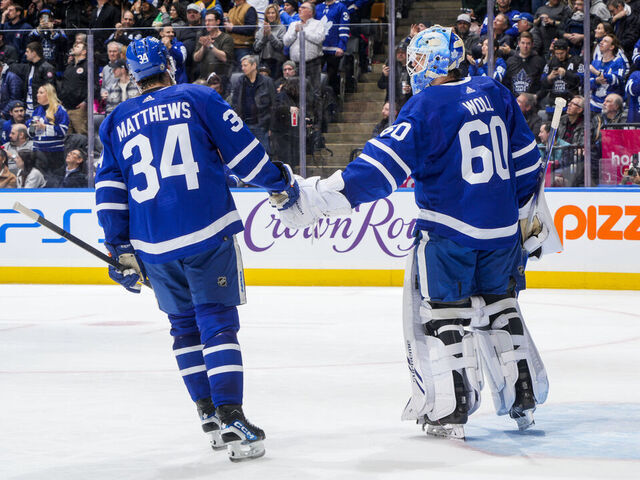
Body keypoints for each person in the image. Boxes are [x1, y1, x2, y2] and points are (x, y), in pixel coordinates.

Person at [272, 26, 557, 440]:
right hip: (501, 233)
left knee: (442, 314)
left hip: (449, 230)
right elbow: (529, 164)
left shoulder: (426, 106)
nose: (415, 69)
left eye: (421, 61)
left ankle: (450, 407)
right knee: (500, 306)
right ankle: (522, 396)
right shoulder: (495, 92)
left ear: (441, 62)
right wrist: (522, 217)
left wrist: (315, 198)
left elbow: (376, 171)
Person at [94, 36, 299, 461]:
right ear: (169, 65)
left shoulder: (115, 120)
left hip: (152, 244)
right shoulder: (198, 97)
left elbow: (110, 189)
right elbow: (243, 154)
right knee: (217, 322)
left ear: (132, 75)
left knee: (183, 328)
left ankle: (207, 412)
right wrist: (278, 181)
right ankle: (232, 416)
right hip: (206, 232)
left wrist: (117, 246)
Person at [231, 54, 275, 154]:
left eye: (245, 65)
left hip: (262, 124)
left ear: (254, 65)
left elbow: (274, 106)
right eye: (242, 66)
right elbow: (235, 103)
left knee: (264, 154)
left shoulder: (267, 82)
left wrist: (271, 127)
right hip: (244, 124)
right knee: (246, 154)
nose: (243, 68)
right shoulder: (240, 81)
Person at [27, 84, 69, 176]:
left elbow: (63, 131)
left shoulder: (59, 110)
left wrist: (45, 127)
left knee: (54, 181)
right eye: (38, 92)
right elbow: (30, 133)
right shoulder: (37, 110)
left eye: (41, 93)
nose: (37, 95)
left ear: (49, 94)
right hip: (38, 152)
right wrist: (33, 128)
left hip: (54, 153)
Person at [589, 33, 627, 112]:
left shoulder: (618, 61)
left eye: (605, 41)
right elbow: (586, 83)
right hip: (594, 104)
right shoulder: (595, 62)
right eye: (601, 40)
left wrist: (597, 73)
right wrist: (596, 81)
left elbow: (617, 80)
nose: (601, 42)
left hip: (612, 106)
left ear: (612, 47)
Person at [193, 10, 234, 83]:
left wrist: (210, 46)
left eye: (210, 20)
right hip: (204, 77)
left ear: (218, 22)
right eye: (206, 21)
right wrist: (203, 47)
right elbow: (196, 58)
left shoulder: (226, 38)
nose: (207, 23)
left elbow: (225, 58)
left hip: (220, 78)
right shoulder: (204, 38)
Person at [253, 4, 286, 80]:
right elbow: (256, 48)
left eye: (273, 13)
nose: (270, 15)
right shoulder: (261, 29)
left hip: (276, 61)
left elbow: (280, 46)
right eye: (268, 13)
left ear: (277, 14)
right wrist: (265, 37)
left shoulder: (281, 28)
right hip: (263, 61)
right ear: (266, 15)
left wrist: (270, 34)